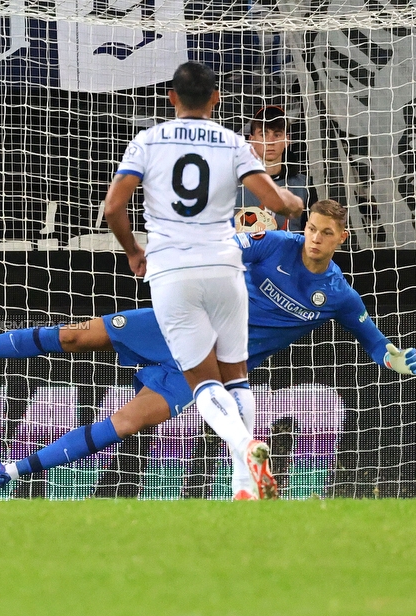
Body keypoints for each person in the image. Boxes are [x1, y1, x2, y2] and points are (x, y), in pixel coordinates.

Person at [0, 201, 416, 500]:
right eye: (311, 228)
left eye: (325, 234)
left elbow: (374, 343)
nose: (313, 238)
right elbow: (226, 246)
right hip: (178, 326)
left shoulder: (341, 296)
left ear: (341, 239)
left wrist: (394, 358)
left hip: (207, 369)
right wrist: (237, 229)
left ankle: (8, 473)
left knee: (123, 425)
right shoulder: (275, 245)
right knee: (76, 335)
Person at [103, 61, 303, 499]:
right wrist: (293, 201)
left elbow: (112, 208)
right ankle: (244, 485)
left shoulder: (148, 140)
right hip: (224, 268)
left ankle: (246, 445)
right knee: (237, 377)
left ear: (172, 98)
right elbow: (275, 201)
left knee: (203, 382)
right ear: (216, 99)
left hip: (173, 270)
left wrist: (134, 251)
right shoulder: (233, 143)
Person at [236, 106, 317, 231]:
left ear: (287, 140)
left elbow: (310, 234)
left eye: (277, 134)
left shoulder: (304, 186)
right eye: (263, 134)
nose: (270, 142)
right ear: (251, 140)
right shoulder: (233, 185)